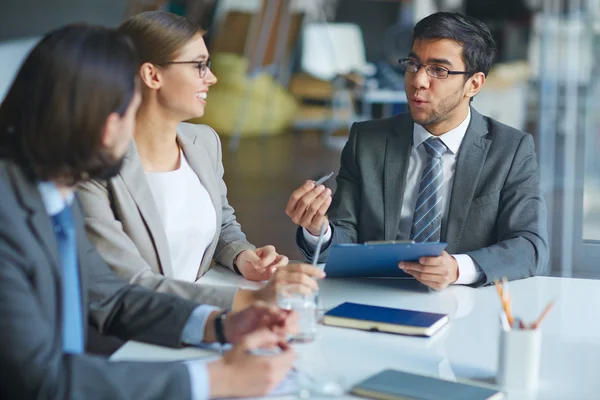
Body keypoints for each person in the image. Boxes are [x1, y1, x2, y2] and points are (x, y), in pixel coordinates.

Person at [0, 24, 297, 399]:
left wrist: (221, 325)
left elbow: (112, 297)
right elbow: (41, 379)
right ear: (105, 122)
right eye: (131, 107)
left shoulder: (56, 195)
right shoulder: (9, 217)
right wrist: (213, 380)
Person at [77, 11, 323, 310]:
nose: (213, 77)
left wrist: (242, 256)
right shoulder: (93, 166)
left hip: (210, 313)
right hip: (139, 332)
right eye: (199, 66)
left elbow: (223, 223)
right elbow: (132, 283)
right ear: (152, 75)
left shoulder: (203, 141)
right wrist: (247, 300)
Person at [286, 12, 548, 289]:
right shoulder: (367, 140)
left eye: (439, 70)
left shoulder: (511, 150)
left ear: (474, 84)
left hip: (465, 304)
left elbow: (530, 247)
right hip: (377, 296)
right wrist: (319, 231)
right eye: (414, 64)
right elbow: (344, 238)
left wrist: (458, 268)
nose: (418, 80)